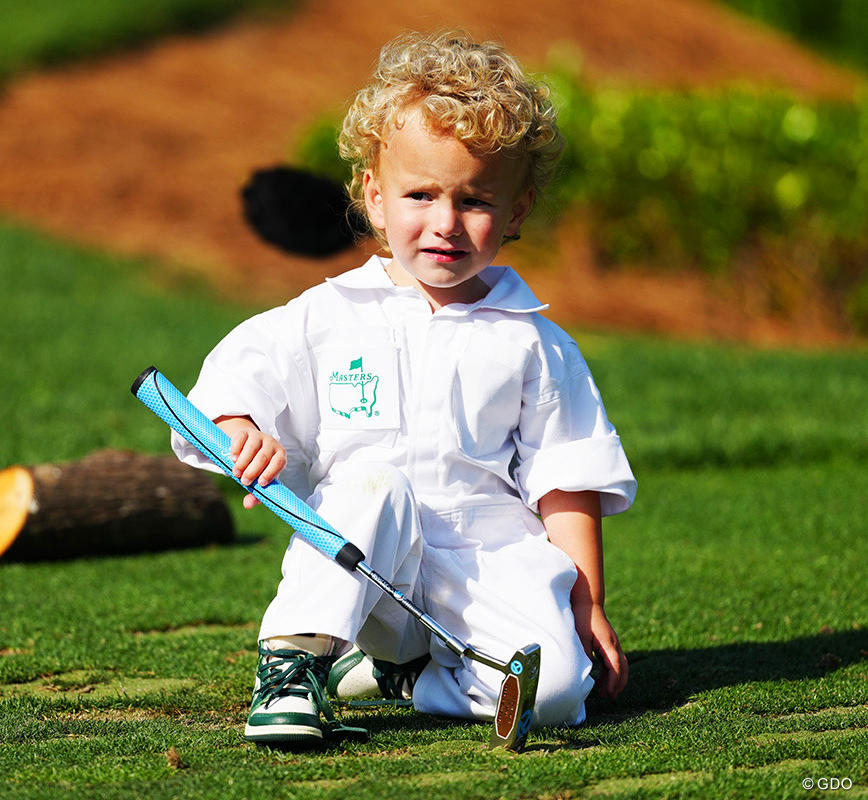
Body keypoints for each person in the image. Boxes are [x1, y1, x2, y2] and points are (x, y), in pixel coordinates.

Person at [171, 30, 637, 746]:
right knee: (372, 484)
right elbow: (237, 377)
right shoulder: (326, 315)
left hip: (486, 560)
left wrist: (587, 605)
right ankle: (292, 667)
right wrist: (239, 426)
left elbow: (566, 476)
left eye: (475, 200)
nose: (446, 224)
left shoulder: (535, 342)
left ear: (516, 211)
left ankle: (407, 677)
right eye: (420, 194)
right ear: (375, 197)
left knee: (554, 695)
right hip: (362, 561)